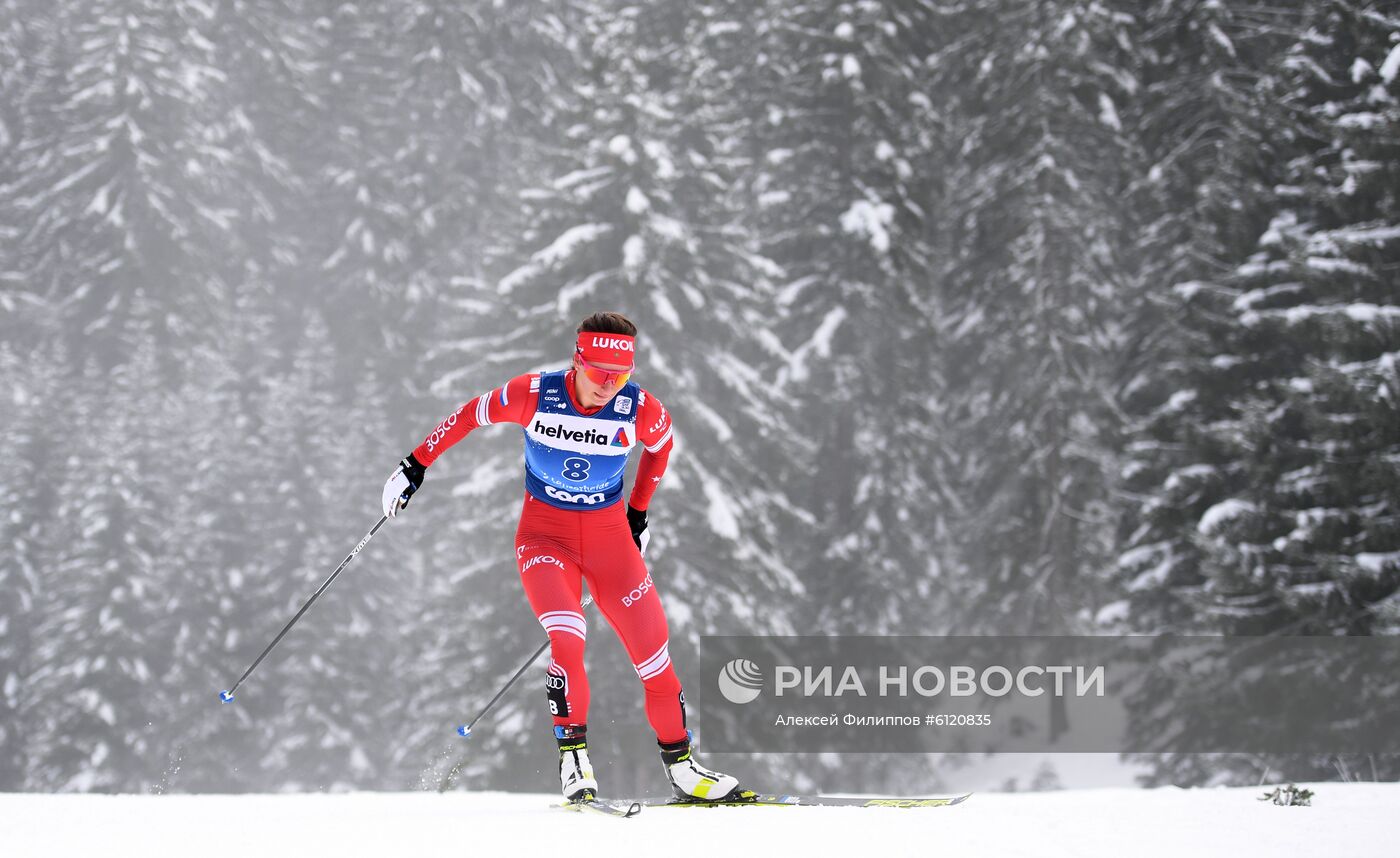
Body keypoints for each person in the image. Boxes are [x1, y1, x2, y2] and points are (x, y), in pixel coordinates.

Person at [381, 311, 747, 803]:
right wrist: (414, 465)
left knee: (655, 657)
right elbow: (470, 414)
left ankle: (683, 769)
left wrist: (638, 515)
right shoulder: (533, 394)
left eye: (620, 378)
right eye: (599, 376)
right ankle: (574, 760)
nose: (608, 389)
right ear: (578, 362)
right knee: (567, 634)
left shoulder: (641, 409)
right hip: (544, 540)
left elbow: (661, 451)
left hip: (611, 543)